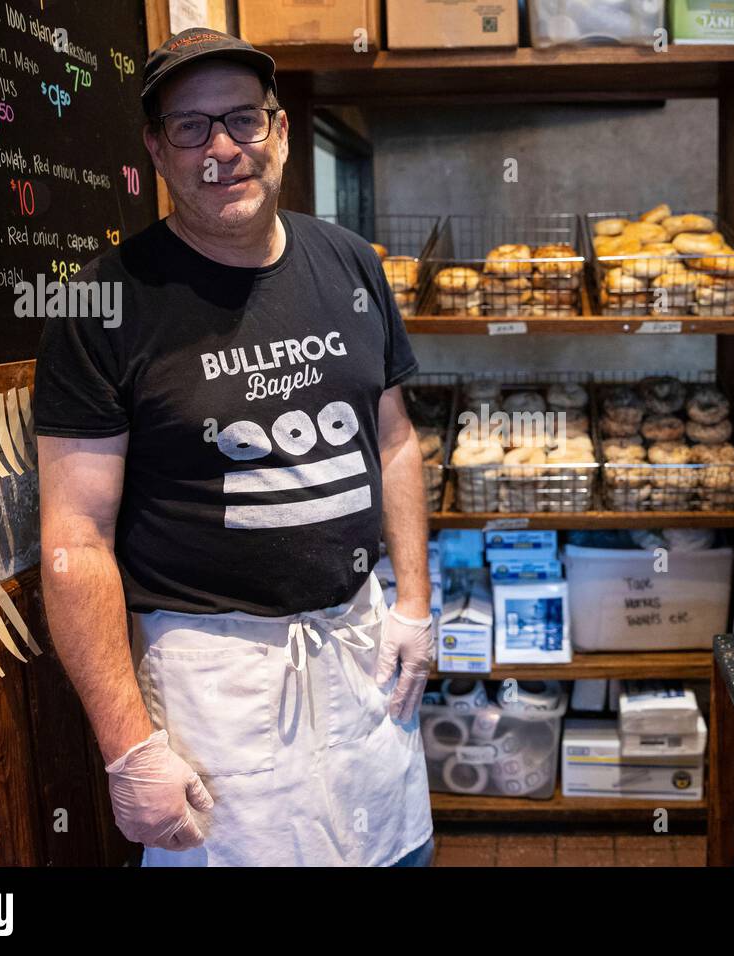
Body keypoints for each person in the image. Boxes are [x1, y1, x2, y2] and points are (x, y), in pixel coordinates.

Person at [33, 27, 435, 867]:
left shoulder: (352, 264)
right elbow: (75, 539)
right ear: (156, 147)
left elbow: (394, 441)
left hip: (359, 650)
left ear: (279, 131)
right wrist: (128, 748)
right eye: (191, 126)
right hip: (215, 687)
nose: (222, 148)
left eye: (244, 120)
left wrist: (413, 604)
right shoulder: (104, 303)